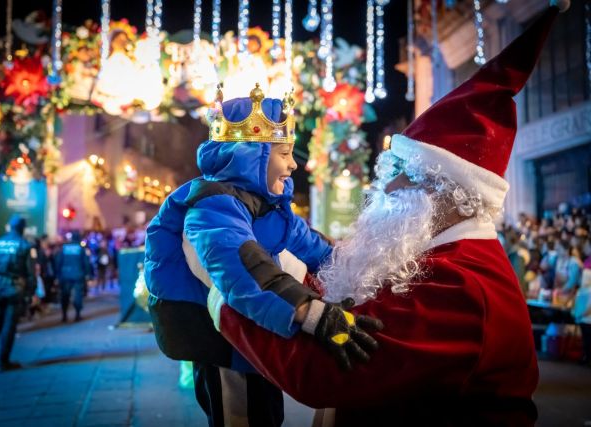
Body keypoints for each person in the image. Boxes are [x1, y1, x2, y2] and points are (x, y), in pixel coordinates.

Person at [208, 5, 564, 425]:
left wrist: (222, 302)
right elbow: (349, 309)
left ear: (448, 191)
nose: (386, 187)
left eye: (403, 173)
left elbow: (320, 371)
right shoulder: (428, 255)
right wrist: (285, 271)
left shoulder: (462, 284)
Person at [145, 85, 379, 426]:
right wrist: (311, 313)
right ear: (250, 155)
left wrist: (368, 269)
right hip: (222, 343)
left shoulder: (269, 208)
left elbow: (319, 249)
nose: (293, 164)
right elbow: (241, 265)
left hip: (253, 332)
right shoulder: (213, 205)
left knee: (267, 412)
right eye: (284, 153)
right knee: (242, 416)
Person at [0, 215, 36, 372]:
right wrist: (31, 293)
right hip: (14, 289)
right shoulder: (24, 245)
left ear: (10, 227)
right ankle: (4, 362)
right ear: (22, 228)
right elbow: (31, 273)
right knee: (8, 326)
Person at [55, 231, 91, 322]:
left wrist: (57, 275)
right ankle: (77, 315)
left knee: (65, 295)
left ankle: (64, 315)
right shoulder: (80, 248)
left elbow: (58, 261)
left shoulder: (64, 247)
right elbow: (86, 263)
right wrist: (88, 274)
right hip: (78, 274)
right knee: (78, 294)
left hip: (65, 274)